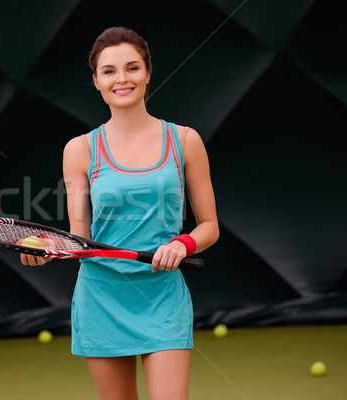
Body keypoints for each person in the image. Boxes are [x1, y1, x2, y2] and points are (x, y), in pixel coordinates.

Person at [21, 26, 219, 400]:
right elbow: (79, 234)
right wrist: (46, 251)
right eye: (109, 71)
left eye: (132, 68)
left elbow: (209, 226)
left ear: (147, 73)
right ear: (96, 81)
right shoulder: (79, 149)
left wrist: (183, 243)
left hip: (162, 295)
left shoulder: (185, 141)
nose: (122, 79)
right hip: (101, 296)